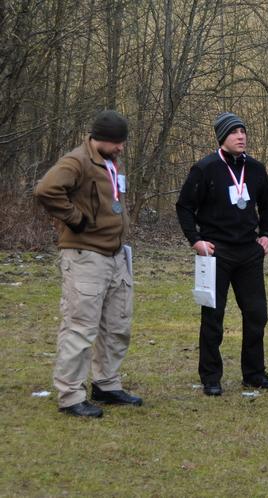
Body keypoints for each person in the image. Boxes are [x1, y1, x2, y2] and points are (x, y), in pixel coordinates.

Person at [34, 110, 143, 417]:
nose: (121, 147)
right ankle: (71, 395)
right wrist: (75, 219)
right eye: (117, 141)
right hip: (85, 256)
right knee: (80, 327)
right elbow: (46, 190)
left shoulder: (111, 161)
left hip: (115, 255)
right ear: (100, 138)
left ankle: (107, 384)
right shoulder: (76, 161)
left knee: (117, 324)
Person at [176, 112, 268, 396]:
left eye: (243, 131)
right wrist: (196, 240)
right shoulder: (205, 168)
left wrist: (266, 234)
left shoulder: (255, 169)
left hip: (249, 253)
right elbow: (184, 206)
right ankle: (210, 377)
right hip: (215, 254)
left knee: (257, 315)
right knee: (213, 317)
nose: (241, 136)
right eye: (234, 132)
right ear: (222, 137)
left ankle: (254, 374)